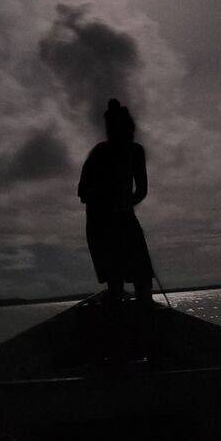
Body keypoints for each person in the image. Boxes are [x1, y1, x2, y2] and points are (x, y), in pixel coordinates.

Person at [78, 99, 153, 311]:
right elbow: (83, 192)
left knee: (142, 276)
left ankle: (145, 323)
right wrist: (106, 204)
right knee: (115, 279)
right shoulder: (99, 153)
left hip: (125, 219)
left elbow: (141, 190)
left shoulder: (135, 152)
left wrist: (125, 205)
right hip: (101, 224)